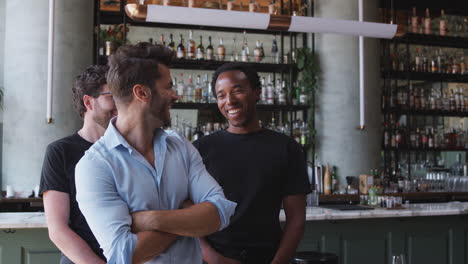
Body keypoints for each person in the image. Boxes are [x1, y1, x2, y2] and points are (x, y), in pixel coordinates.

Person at [75, 42, 237, 264]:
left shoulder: (181, 146)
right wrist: (188, 217)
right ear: (142, 93)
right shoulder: (94, 166)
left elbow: (220, 212)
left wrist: (150, 219)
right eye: (168, 87)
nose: (175, 95)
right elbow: (125, 253)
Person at [193, 62, 311, 264]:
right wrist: (215, 259)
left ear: (257, 93)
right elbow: (188, 215)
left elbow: (296, 220)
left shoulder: (286, 148)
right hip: (214, 259)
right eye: (221, 95)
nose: (229, 100)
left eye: (237, 91)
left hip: (269, 257)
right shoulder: (200, 149)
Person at [40, 65, 117, 264]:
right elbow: (58, 229)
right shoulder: (60, 152)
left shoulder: (129, 149)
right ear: (88, 102)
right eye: (112, 96)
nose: (120, 105)